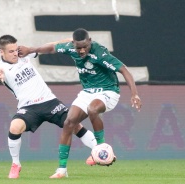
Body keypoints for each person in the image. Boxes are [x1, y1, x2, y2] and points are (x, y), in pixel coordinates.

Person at [18, 28, 142, 178]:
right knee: (69, 122)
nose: (82, 50)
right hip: (87, 92)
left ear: (90, 41)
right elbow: (52, 48)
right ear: (73, 44)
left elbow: (124, 70)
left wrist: (134, 94)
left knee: (93, 109)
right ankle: (61, 170)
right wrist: (30, 50)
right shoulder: (70, 47)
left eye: (85, 46)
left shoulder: (100, 53)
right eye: (78, 47)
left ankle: (100, 148)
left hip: (108, 91)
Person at [0, 35, 97, 179]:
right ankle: (15, 164)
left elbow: (48, 46)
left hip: (49, 101)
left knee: (74, 125)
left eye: (16, 49)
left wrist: (68, 41)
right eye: (11, 51)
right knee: (15, 127)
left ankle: (100, 151)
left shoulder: (24, 54)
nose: (15, 53)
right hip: (28, 107)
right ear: (1, 52)